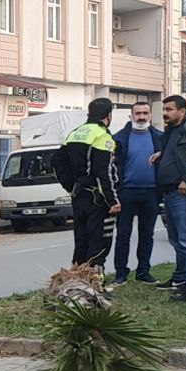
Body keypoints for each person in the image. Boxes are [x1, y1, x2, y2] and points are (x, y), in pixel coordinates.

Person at [61, 98, 120, 269]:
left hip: (79, 196)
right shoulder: (102, 135)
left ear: (89, 114)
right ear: (108, 115)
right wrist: (113, 201)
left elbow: (57, 161)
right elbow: (105, 172)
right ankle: (95, 284)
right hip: (98, 199)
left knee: (81, 240)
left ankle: (79, 283)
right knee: (99, 243)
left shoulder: (75, 133)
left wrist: (70, 186)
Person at [110, 101, 163, 286]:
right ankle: (120, 273)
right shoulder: (119, 139)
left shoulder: (159, 138)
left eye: (145, 113)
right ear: (131, 115)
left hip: (151, 193)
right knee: (123, 234)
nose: (141, 116)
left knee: (147, 234)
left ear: (150, 115)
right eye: (138, 113)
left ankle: (143, 271)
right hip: (127, 193)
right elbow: (113, 167)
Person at [158, 97, 186, 298]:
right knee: (175, 239)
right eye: (164, 109)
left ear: (182, 111)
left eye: (169, 109)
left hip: (182, 192)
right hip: (168, 191)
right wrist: (161, 154)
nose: (165, 113)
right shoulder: (170, 130)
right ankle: (181, 275)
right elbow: (176, 153)